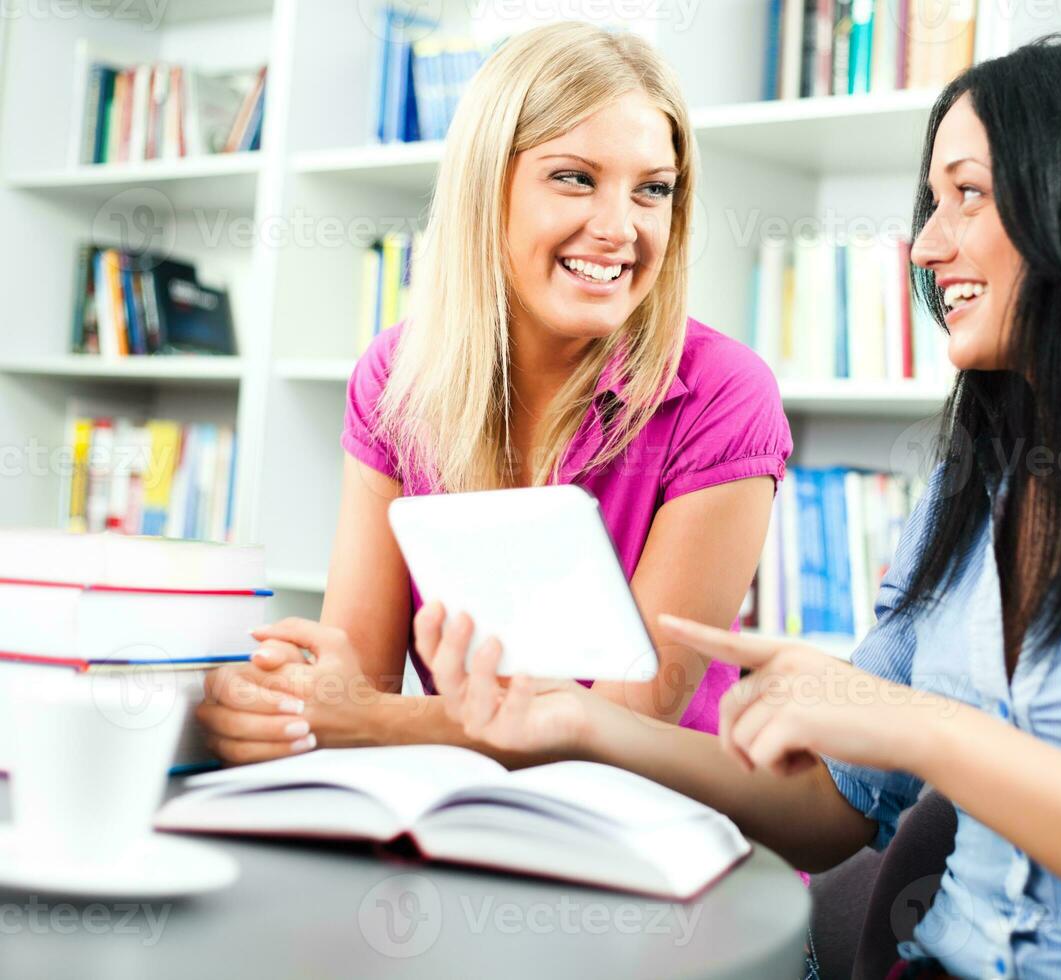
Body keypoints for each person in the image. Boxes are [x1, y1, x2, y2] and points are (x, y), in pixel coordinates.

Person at [419, 36, 1061, 978]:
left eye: (966, 194)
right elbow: (834, 807)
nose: (927, 245)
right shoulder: (971, 488)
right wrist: (576, 723)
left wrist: (916, 721)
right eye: (930, 203)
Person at [196, 22, 791, 764]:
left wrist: (372, 720)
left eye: (652, 190)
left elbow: (616, 735)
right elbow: (353, 686)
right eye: (574, 177)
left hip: (655, 839)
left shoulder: (724, 397)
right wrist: (278, 711)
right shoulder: (396, 377)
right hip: (457, 817)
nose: (619, 228)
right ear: (487, 187)